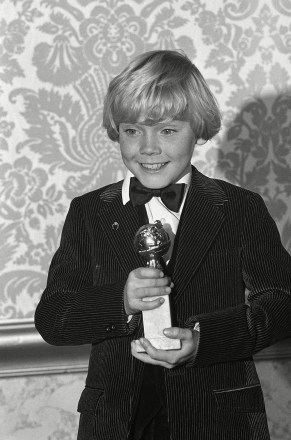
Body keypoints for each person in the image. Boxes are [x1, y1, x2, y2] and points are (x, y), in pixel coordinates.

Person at [35, 50, 291, 440]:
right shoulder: (89, 212)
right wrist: (119, 300)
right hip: (117, 421)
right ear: (115, 132)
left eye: (168, 130)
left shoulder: (239, 208)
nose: (148, 148)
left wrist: (203, 339)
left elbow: (282, 300)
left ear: (198, 128)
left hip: (217, 419)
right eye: (132, 130)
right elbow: (53, 317)